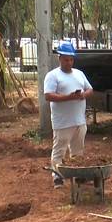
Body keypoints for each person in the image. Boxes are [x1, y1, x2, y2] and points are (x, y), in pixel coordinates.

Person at [43, 41, 94, 188]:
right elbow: (48, 96)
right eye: (66, 59)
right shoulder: (53, 76)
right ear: (59, 58)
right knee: (59, 149)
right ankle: (57, 176)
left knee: (78, 150)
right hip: (62, 122)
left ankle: (78, 175)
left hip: (79, 120)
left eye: (71, 59)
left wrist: (83, 95)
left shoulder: (79, 74)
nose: (69, 62)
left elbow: (90, 89)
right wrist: (69, 97)